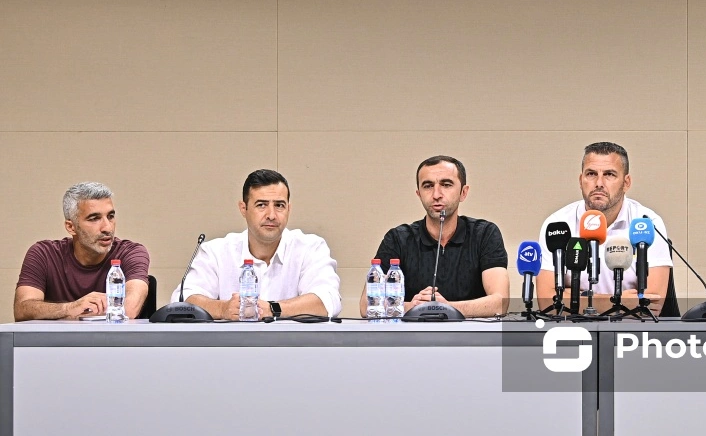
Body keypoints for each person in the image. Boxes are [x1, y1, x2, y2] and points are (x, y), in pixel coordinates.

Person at [174, 169, 341, 320]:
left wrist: (272, 308)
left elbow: (327, 300)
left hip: (293, 349)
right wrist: (222, 308)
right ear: (243, 208)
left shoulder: (310, 248)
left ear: (289, 209)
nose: (271, 215)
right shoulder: (215, 252)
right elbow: (183, 300)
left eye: (279, 205)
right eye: (261, 205)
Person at [362, 156, 509, 318]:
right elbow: (365, 306)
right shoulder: (398, 238)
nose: (436, 194)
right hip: (411, 340)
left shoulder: (485, 234)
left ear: (463, 193)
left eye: (446, 185)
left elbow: (501, 302)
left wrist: (445, 308)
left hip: (471, 339)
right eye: (428, 186)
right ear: (418, 194)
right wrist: (413, 306)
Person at [536, 142, 672, 310]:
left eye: (609, 174)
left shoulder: (647, 222)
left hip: (631, 332)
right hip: (575, 329)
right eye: (591, 174)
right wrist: (618, 301)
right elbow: (547, 303)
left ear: (626, 182)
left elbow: (652, 306)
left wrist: (577, 298)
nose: (599, 183)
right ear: (581, 180)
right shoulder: (557, 225)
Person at [14, 182, 151, 320]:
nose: (107, 228)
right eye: (94, 219)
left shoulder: (132, 252)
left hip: (113, 341)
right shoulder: (43, 254)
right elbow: (22, 310)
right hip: (57, 342)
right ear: (71, 227)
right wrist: (70, 308)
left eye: (110, 216)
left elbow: (129, 309)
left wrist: (70, 315)